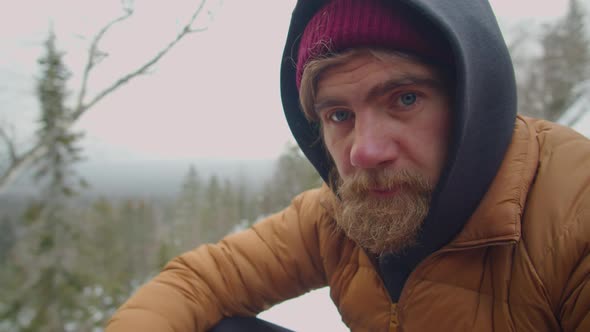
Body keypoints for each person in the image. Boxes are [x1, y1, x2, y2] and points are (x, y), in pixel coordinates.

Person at [106, 0, 590, 331]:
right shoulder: (339, 215)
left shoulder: (573, 212)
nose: (364, 151)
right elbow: (200, 281)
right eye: (339, 115)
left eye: (404, 98)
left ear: (473, 98)